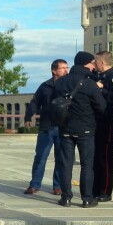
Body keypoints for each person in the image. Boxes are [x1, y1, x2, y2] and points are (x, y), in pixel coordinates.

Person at [53, 51, 106, 207]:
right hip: (86, 128)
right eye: (92, 63)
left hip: (65, 128)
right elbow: (101, 106)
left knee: (66, 164)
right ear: (86, 64)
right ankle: (87, 198)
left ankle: (66, 197)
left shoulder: (61, 82)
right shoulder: (89, 83)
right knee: (87, 164)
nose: (94, 65)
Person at [23, 58, 68, 195]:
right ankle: (35, 184)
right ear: (54, 70)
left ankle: (58, 186)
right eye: (63, 68)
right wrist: (28, 116)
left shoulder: (69, 86)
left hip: (63, 127)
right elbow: (34, 102)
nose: (66, 70)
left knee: (61, 158)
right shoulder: (45, 86)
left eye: (67, 67)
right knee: (41, 157)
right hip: (46, 126)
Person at [92, 51, 113, 202]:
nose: (94, 64)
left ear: (102, 63)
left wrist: (101, 89)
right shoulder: (100, 77)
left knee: (105, 156)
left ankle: (105, 190)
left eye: (96, 62)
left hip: (109, 121)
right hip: (98, 121)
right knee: (97, 156)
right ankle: (96, 188)